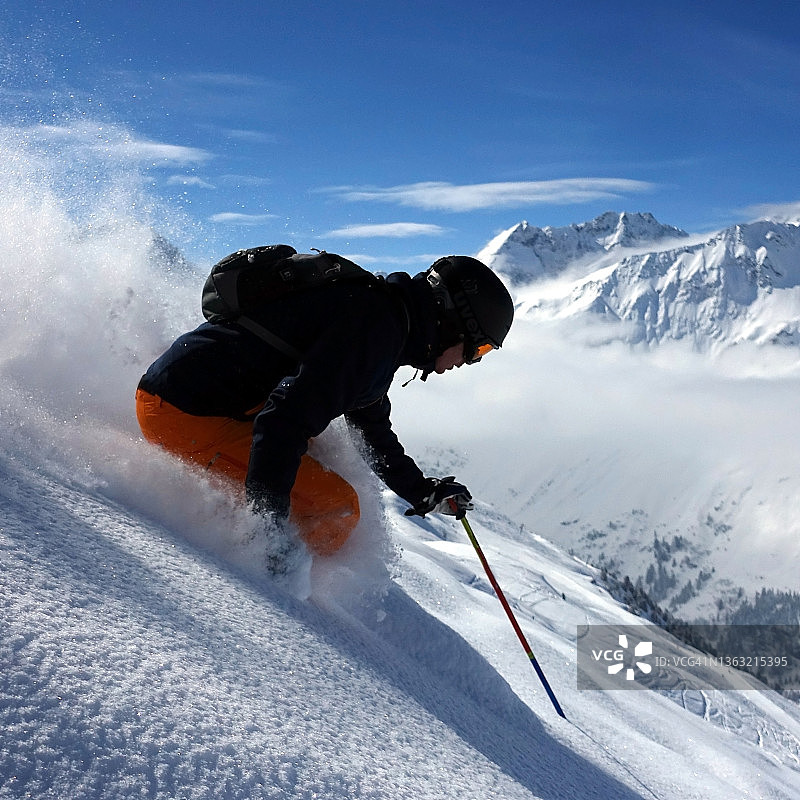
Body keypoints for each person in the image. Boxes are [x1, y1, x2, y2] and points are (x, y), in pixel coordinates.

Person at [135, 252, 514, 558]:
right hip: (182, 412)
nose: (469, 362)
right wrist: (269, 531)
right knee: (338, 509)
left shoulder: (385, 318)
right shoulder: (378, 331)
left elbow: (372, 429)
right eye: (477, 348)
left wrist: (422, 491)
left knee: (317, 457)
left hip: (197, 395)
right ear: (454, 321)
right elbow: (282, 422)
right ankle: (260, 586)